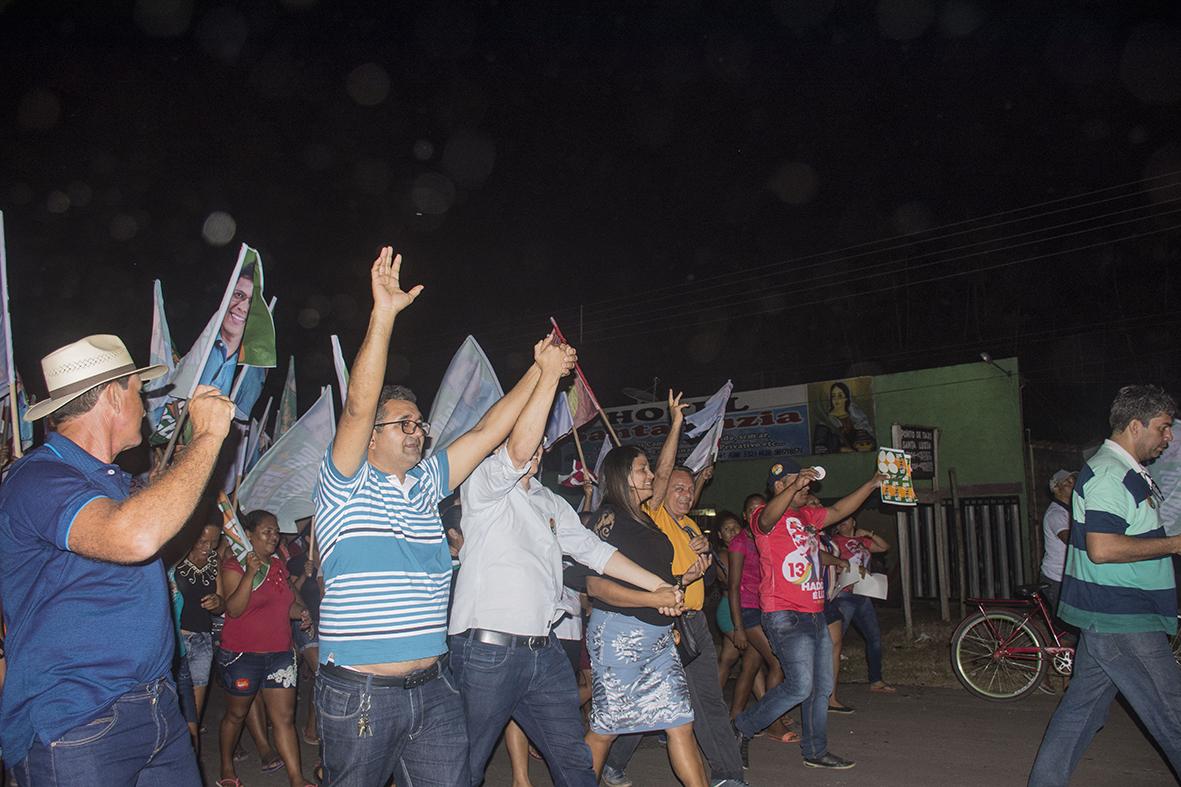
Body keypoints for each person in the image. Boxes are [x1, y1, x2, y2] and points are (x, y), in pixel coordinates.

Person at [313, 247, 578, 787]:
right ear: (370, 440)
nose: (417, 430)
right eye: (403, 423)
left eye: (419, 423)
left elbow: (485, 434)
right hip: (362, 694)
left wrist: (540, 370)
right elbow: (359, 408)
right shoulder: (343, 484)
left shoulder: (428, 484)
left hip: (435, 689)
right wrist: (383, 317)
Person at [0, 334, 234, 785]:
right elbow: (136, 537)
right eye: (137, 391)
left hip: (154, 705)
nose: (145, 405)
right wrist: (208, 435)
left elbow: (154, 535)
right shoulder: (40, 476)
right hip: (80, 722)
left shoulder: (114, 482)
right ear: (111, 394)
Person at [449, 349, 673, 787]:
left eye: (538, 443)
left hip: (544, 652)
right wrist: (549, 375)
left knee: (572, 758)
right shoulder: (484, 486)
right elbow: (515, 452)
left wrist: (659, 585)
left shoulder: (550, 503)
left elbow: (595, 551)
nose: (536, 447)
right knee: (465, 764)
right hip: (487, 653)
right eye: (529, 440)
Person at [1029, 385, 1181, 787]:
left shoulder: (1125, 471)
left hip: (1112, 614)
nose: (1170, 437)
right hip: (1123, 616)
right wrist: (1177, 544)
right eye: (1164, 428)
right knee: (1174, 715)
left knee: (1081, 713)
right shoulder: (1111, 474)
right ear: (1136, 425)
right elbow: (1103, 547)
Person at [601, 392, 746, 787]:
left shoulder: (691, 527)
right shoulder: (654, 514)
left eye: (689, 491)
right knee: (644, 700)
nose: (683, 495)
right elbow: (662, 476)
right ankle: (611, 761)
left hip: (694, 621)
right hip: (665, 621)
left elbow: (713, 575)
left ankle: (728, 775)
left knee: (705, 701)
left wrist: (706, 556)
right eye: (678, 490)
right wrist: (676, 425)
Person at [733, 458, 884, 771]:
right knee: (800, 686)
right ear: (779, 485)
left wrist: (872, 483)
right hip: (784, 614)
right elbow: (767, 519)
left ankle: (815, 750)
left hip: (815, 614)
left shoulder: (807, 517)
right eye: (795, 480)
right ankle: (742, 726)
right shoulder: (764, 516)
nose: (806, 485)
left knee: (820, 687)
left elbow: (840, 510)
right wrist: (793, 486)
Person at [570, 443, 706, 787]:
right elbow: (597, 587)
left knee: (680, 722)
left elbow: (653, 581)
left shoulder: (643, 518)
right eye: (642, 469)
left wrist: (681, 580)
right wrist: (650, 598)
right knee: (605, 729)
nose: (650, 476)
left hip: (657, 639)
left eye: (648, 468)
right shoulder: (608, 517)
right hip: (620, 637)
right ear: (622, 477)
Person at [216, 509, 313, 787]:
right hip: (242, 655)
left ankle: (296, 778)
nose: (274, 536)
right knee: (236, 714)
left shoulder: (278, 566)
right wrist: (250, 573)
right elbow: (233, 610)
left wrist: (301, 613)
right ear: (248, 535)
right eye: (267, 531)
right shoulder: (234, 566)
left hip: (280, 654)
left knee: (283, 719)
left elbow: (286, 606)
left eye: (275, 531)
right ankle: (226, 767)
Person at [827, 515, 893, 708]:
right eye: (840, 521)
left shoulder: (862, 541)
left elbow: (884, 547)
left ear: (854, 523)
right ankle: (827, 690)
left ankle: (876, 680)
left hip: (863, 594)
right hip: (845, 595)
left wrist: (869, 534)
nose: (842, 523)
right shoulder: (835, 542)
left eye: (846, 520)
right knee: (835, 642)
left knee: (874, 638)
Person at [175, 521, 225, 746]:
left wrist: (216, 602)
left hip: (203, 641)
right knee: (173, 708)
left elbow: (221, 605)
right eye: (203, 540)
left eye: (214, 542)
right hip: (177, 641)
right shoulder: (174, 559)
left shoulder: (215, 561)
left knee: (192, 716)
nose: (208, 547)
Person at [1039, 469, 1077, 616]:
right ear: (1056, 488)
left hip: (1067, 575)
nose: (1072, 484)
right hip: (1056, 577)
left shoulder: (1069, 511)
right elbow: (1069, 539)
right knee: (1069, 623)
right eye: (1067, 482)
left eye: (1073, 481)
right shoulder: (1056, 513)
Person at [812, 382, 875, 454]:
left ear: (846, 398)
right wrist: (838, 449)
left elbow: (868, 441)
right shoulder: (825, 421)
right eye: (833, 396)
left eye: (840, 396)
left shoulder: (857, 417)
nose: (836, 399)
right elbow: (818, 448)